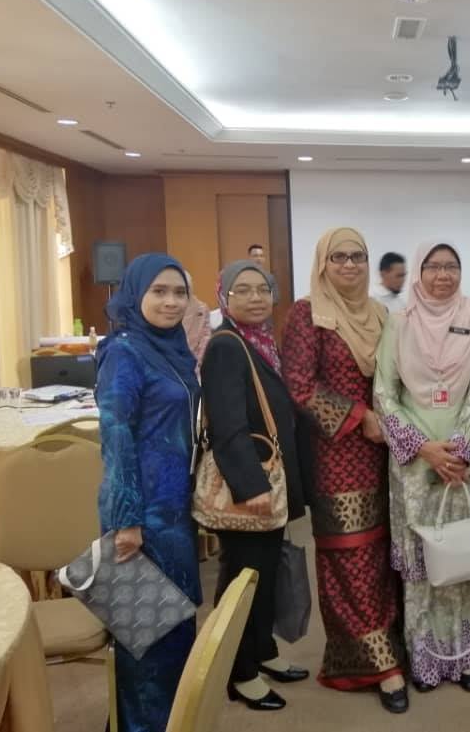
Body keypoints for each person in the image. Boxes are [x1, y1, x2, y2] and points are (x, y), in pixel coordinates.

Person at [281, 228, 410, 714]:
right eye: (339, 257)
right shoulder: (307, 314)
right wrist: (360, 417)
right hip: (336, 459)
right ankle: (380, 665)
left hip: (386, 455)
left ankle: (390, 646)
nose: (350, 265)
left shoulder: (380, 314)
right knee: (350, 559)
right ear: (323, 263)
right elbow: (299, 384)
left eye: (358, 256)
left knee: (385, 556)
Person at [373, 241, 470, 692]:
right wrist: (423, 448)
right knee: (423, 563)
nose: (443, 275)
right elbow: (384, 393)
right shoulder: (399, 321)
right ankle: (426, 661)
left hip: (468, 455)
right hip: (415, 460)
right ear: (419, 271)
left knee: (466, 555)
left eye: (451, 267)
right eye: (433, 266)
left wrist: (460, 451)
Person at [201, 260, 314, 712]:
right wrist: (251, 488)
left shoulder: (261, 342)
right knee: (242, 582)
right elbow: (227, 426)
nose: (255, 298)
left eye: (262, 289)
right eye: (242, 290)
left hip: (270, 480)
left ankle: (262, 651)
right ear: (224, 297)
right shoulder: (226, 346)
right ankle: (239, 671)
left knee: (264, 575)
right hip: (249, 488)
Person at [96, 253, 201, 732]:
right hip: (140, 516)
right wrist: (126, 521)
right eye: (159, 291)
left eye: (179, 292)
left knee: (174, 630)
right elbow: (116, 435)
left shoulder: (172, 348)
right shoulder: (124, 352)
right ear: (136, 294)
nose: (171, 302)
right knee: (147, 641)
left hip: (174, 512)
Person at [181, 270, 212, 371]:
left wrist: (198, 361)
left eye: (188, 287)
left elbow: (205, 337)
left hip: (196, 362)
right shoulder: (171, 307)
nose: (186, 291)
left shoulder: (201, 308)